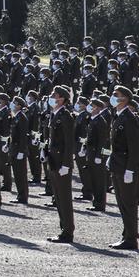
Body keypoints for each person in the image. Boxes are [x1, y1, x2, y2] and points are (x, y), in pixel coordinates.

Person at [107, 86, 139, 249]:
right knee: (122, 203)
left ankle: (131, 239)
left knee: (128, 204)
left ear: (125, 99)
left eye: (116, 95)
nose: (113, 97)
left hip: (125, 168)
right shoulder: (118, 116)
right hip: (117, 166)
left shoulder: (129, 118)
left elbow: (134, 147)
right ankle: (127, 234)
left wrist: (130, 169)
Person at [46, 86, 76, 243]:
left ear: (62, 98)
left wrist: (66, 164)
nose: (51, 97)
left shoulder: (65, 116)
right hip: (54, 161)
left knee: (64, 198)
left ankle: (68, 232)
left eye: (54, 95)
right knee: (58, 197)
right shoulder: (55, 114)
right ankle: (64, 228)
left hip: (61, 163)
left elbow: (69, 143)